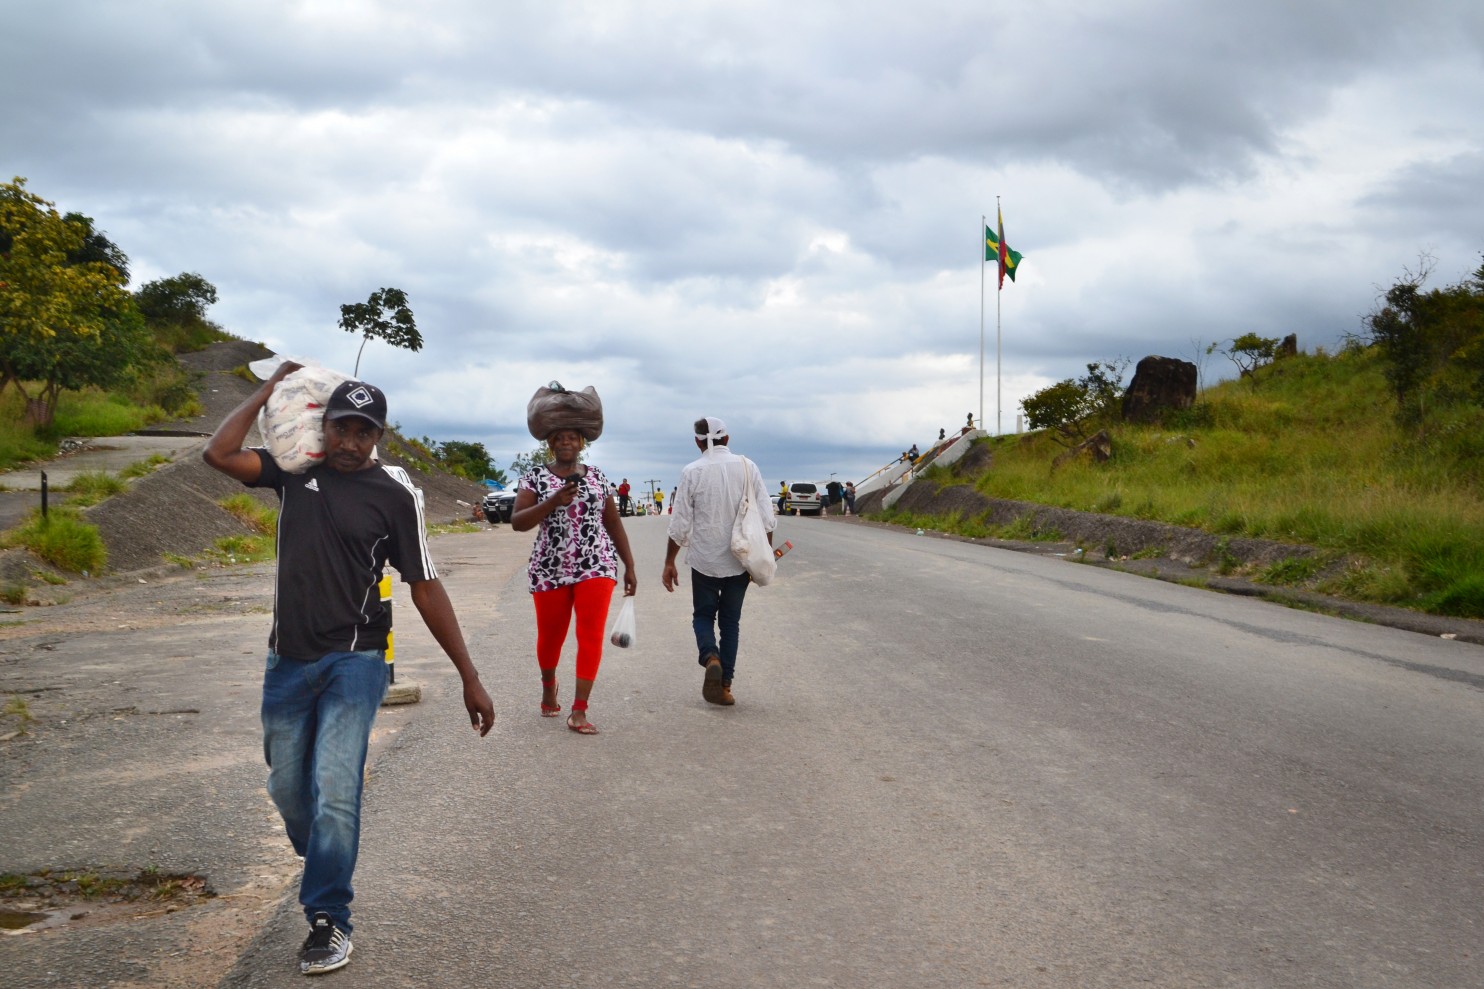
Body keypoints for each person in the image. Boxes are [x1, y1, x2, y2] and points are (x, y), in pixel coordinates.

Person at [202, 365, 495, 977]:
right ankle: (326, 867)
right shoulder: (292, 470)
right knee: (287, 789)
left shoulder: (394, 494)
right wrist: (267, 389)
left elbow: (425, 585)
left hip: (356, 659)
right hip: (287, 659)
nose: (350, 442)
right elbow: (218, 453)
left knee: (336, 790)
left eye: (364, 432)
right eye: (341, 428)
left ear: (378, 435)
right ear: (323, 425)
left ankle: (328, 916)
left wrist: (469, 674)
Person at [511, 428, 637, 735]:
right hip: (549, 567)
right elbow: (518, 522)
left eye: (573, 437)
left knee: (590, 634)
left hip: (595, 563)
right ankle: (548, 686)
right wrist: (552, 500)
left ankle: (579, 710)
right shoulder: (535, 478)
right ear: (550, 443)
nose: (566, 442)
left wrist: (629, 564)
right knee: (551, 636)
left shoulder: (596, 476)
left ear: (582, 443)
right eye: (559, 438)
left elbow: (612, 522)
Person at [662, 417, 775, 706]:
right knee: (730, 622)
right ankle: (724, 687)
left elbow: (680, 524)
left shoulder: (692, 472)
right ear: (727, 439)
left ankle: (710, 656)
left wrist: (669, 561)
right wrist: (764, 555)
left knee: (703, 616)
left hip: (704, 560)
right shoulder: (748, 467)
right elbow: (766, 517)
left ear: (698, 442)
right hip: (740, 559)